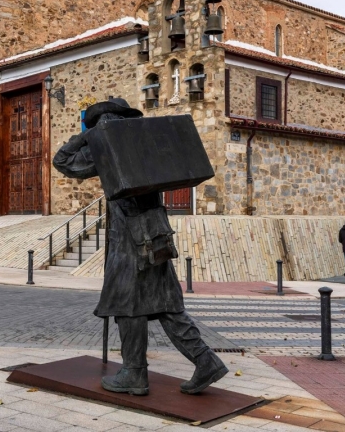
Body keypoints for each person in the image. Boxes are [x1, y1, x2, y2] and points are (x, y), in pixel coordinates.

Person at [53, 98, 228, 396]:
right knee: (167, 307)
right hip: (157, 234)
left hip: (129, 241)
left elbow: (63, 160)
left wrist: (88, 135)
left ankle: (134, 373)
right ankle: (205, 361)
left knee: (127, 306)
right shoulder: (147, 143)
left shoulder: (109, 147)